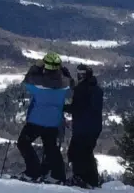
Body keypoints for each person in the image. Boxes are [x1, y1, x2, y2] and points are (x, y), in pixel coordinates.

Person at [14, 52, 71, 184]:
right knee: (51, 147)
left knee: (23, 143)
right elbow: (71, 82)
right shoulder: (65, 83)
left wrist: (36, 67)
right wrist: (64, 71)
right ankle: (58, 175)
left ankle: (33, 172)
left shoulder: (39, 82)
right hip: (54, 122)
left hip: (37, 120)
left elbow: (27, 80)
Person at [64, 64, 103, 189]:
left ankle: (80, 178)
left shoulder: (83, 89)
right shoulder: (94, 88)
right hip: (94, 127)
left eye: (81, 73)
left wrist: (61, 107)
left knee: (76, 153)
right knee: (86, 153)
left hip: (84, 127)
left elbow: (77, 107)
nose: (79, 75)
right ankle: (92, 180)